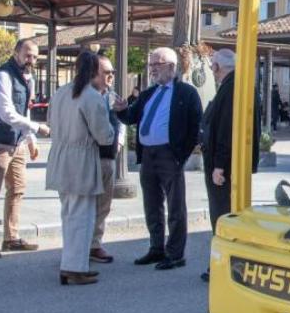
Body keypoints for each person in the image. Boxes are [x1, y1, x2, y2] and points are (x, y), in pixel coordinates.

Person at [113, 47, 202, 270]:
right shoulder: (148, 94)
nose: (152, 70)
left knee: (175, 206)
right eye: (151, 65)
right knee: (152, 204)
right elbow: (131, 117)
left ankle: (175, 254)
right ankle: (156, 248)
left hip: (169, 155)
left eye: (156, 65)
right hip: (148, 155)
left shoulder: (186, 93)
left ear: (171, 67)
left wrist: (181, 154)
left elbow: (196, 125)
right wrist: (122, 110)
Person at [0, 39, 51, 258]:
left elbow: (25, 110)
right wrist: (36, 128)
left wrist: (30, 139)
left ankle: (11, 238)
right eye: (27, 55)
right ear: (16, 53)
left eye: (34, 56)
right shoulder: (1, 76)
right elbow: (6, 113)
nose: (30, 60)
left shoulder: (27, 78)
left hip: (18, 143)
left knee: (18, 189)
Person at [45, 52, 117, 285]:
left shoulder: (61, 92)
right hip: (81, 161)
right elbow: (104, 136)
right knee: (82, 217)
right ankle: (74, 267)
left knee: (69, 215)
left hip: (59, 158)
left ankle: (71, 263)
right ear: (95, 71)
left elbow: (50, 123)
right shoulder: (91, 97)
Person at [199, 49, 238, 283]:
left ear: (215, 67)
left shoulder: (230, 88)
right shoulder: (233, 85)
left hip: (220, 165)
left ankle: (220, 267)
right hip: (220, 162)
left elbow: (225, 130)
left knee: (221, 216)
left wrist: (219, 166)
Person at [90, 52, 127, 264]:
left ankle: (95, 244)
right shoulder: (86, 95)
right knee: (86, 205)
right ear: (94, 74)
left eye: (112, 72)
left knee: (104, 205)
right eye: (107, 73)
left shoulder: (111, 95)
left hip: (108, 158)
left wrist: (120, 142)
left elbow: (120, 120)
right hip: (90, 158)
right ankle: (80, 246)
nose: (111, 76)